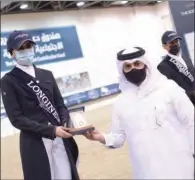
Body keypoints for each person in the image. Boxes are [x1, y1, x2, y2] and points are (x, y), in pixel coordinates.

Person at [85, 47, 194, 179]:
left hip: (181, 168)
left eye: (137, 64)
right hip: (145, 172)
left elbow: (191, 121)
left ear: (146, 64)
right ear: (122, 70)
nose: (133, 69)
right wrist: (101, 137)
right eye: (127, 66)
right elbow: (118, 136)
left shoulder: (169, 89)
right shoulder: (121, 103)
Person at [1, 30, 80, 180]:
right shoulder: (9, 80)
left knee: (66, 175)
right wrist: (51, 130)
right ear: (12, 53)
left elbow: (60, 105)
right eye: (21, 48)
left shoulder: (47, 74)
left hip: (60, 135)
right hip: (35, 141)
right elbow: (16, 118)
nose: (26, 51)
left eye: (29, 46)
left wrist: (63, 122)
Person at [157, 30, 195, 105]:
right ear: (164, 46)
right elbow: (169, 90)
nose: (175, 44)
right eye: (171, 43)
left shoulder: (187, 59)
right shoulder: (163, 66)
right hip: (183, 104)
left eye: (176, 41)